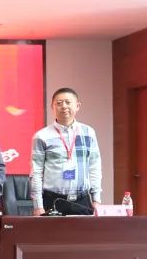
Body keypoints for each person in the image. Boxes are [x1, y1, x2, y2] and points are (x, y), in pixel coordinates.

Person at [30, 87, 101, 216]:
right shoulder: (41, 136)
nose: (64, 106)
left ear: (77, 106)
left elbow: (94, 167)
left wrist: (96, 200)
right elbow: (36, 173)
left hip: (82, 200)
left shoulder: (88, 133)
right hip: (53, 201)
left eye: (68, 102)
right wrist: (38, 206)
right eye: (59, 103)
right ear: (52, 107)